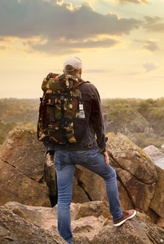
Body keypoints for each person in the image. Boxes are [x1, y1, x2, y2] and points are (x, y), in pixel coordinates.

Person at [46, 56, 136, 244]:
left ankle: (66, 240)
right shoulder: (88, 89)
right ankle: (117, 215)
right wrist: (102, 148)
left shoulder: (52, 89)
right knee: (110, 175)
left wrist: (51, 150)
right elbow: (98, 122)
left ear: (64, 71)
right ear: (80, 71)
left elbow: (46, 121)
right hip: (85, 149)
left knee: (63, 198)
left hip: (61, 150)